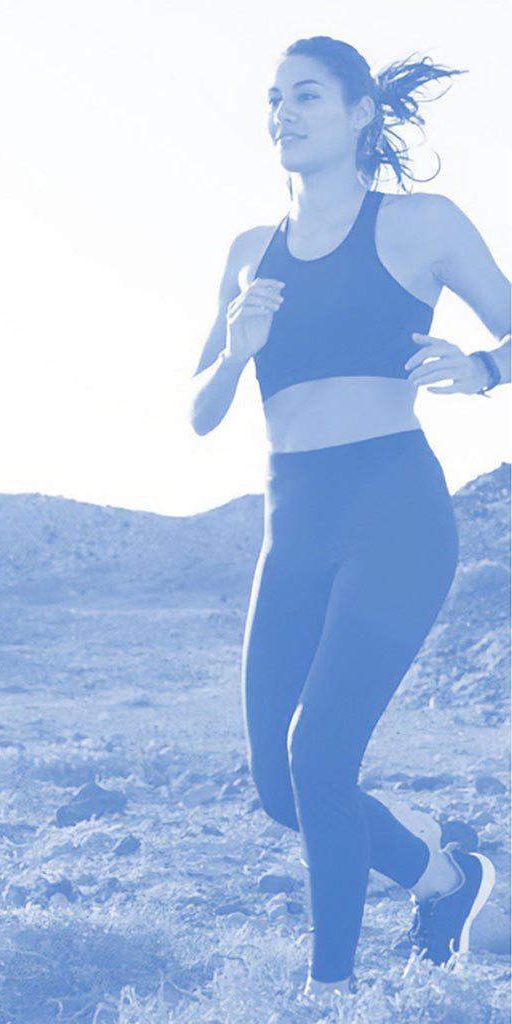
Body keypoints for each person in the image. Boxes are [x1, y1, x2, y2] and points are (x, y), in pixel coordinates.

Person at [189, 35, 511, 1008]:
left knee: (318, 752)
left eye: (309, 96)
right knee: (281, 787)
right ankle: (446, 879)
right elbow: (201, 410)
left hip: (395, 516)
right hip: (292, 526)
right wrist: (238, 347)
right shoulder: (249, 253)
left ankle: (331, 993)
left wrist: (484, 367)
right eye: (276, 98)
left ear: (362, 111)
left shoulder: (422, 225)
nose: (284, 111)